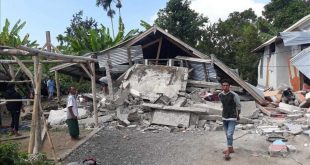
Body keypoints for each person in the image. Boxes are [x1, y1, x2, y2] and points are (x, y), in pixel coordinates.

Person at [218, 79, 241, 159]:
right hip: (224, 117)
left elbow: (238, 106)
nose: (225, 87)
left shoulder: (234, 95)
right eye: (223, 85)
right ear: (221, 86)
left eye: (227, 85)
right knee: (227, 134)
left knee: (229, 134)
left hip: (232, 117)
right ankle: (230, 148)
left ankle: (228, 150)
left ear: (229, 86)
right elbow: (223, 105)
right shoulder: (220, 95)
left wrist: (238, 115)